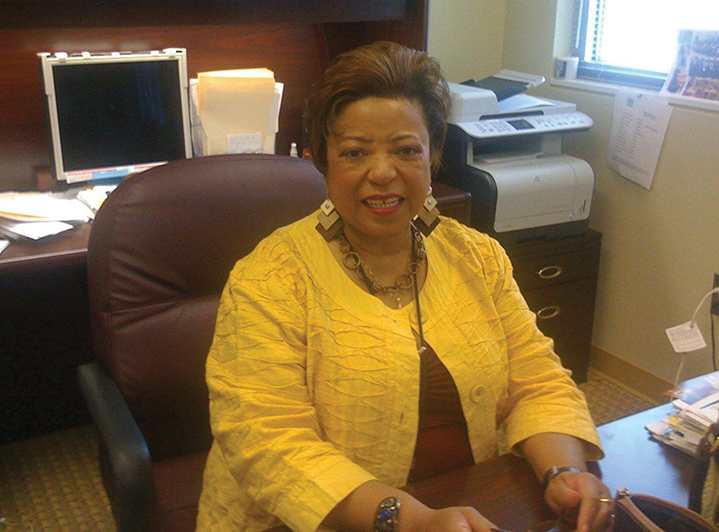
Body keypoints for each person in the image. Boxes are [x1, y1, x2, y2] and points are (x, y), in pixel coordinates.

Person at [197, 41, 610, 532]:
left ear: (432, 157)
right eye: (355, 152)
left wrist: (564, 472)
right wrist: (410, 520)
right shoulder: (270, 279)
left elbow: (536, 381)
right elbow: (269, 443)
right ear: (321, 161)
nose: (383, 172)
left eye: (405, 150)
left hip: (470, 502)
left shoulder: (477, 257)